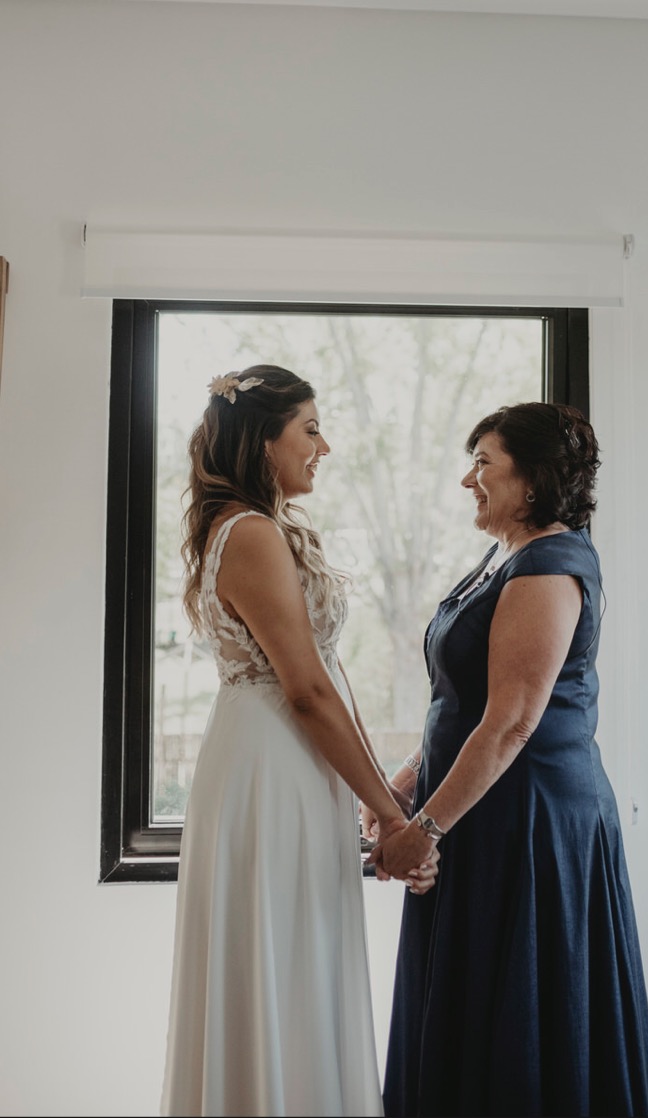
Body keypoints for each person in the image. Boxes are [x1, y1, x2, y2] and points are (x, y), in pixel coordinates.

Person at [371, 401, 648, 1116]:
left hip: (530, 826)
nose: (468, 480)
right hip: (478, 814)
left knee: (524, 1027)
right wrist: (404, 781)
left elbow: (511, 721)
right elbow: (462, 701)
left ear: (532, 480)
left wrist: (424, 830)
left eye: (483, 464)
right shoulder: (504, 556)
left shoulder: (550, 564)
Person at [161, 364, 435, 1116]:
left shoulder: (263, 528)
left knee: (299, 957)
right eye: (310, 429)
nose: (325, 447)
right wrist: (394, 818)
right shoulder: (249, 534)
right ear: (263, 440)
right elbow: (307, 690)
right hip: (270, 769)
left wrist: (377, 798)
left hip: (290, 762)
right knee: (281, 956)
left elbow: (330, 676)